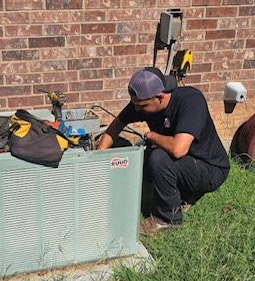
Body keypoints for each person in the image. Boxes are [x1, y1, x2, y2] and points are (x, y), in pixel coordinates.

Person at [97, 67, 230, 233]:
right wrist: (99, 157)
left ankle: (168, 219)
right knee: (135, 161)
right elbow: (117, 124)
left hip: (210, 168)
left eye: (142, 106)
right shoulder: (145, 100)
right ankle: (181, 193)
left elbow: (178, 149)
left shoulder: (191, 101)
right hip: (185, 162)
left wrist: (151, 136)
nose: (137, 110)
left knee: (158, 158)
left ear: (160, 97)